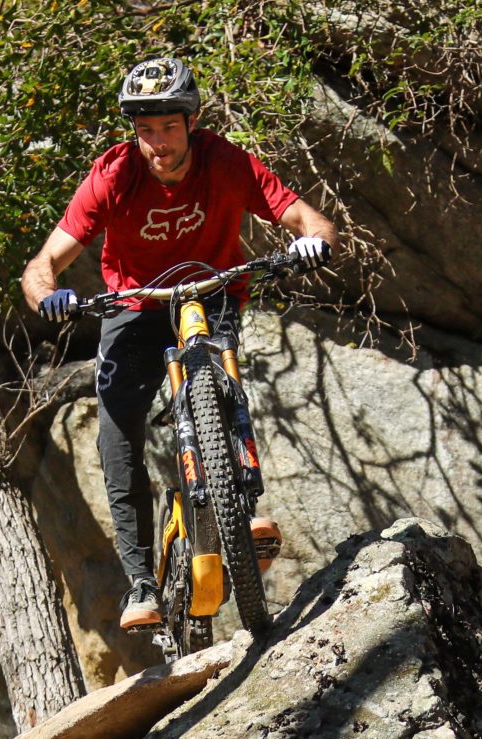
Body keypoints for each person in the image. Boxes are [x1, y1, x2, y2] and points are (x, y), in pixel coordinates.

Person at [21, 57, 338, 631]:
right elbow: (43, 263)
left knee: (221, 379)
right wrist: (49, 296)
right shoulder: (114, 176)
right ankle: (141, 581)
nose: (158, 142)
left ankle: (243, 509)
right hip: (136, 306)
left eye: (168, 126)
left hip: (211, 291)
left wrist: (312, 242)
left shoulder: (227, 163)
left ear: (191, 122)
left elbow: (305, 217)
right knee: (118, 433)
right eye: (145, 130)